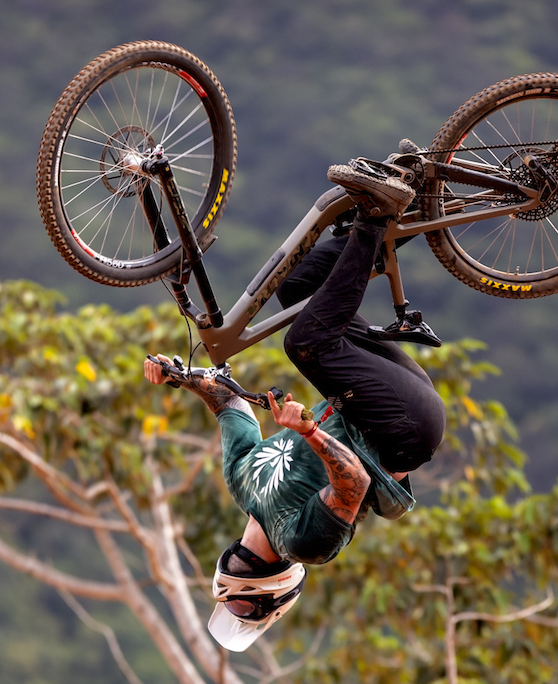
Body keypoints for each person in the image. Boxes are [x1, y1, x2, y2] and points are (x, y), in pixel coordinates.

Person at [142, 160, 446, 651]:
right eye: (244, 608)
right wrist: (309, 434)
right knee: (306, 344)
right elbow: (354, 485)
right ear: (275, 597)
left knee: (298, 290)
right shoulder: (302, 543)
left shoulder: (241, 482)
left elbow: (228, 404)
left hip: (369, 398)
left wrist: (179, 377)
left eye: (227, 603)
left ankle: (417, 204)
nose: (230, 594)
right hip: (402, 429)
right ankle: (376, 214)